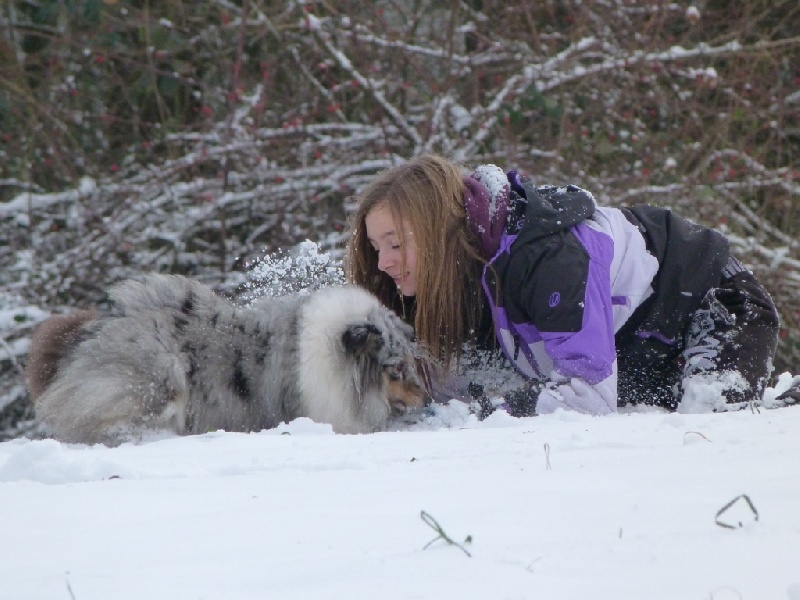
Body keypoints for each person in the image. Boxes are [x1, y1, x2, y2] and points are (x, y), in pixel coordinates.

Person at [346, 154, 784, 416]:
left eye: (397, 244)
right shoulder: (458, 280)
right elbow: (446, 389)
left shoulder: (549, 257)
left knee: (706, 424)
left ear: (440, 230)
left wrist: (487, 413)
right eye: (375, 247)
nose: (384, 263)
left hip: (713, 305)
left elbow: (587, 394)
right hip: (638, 348)